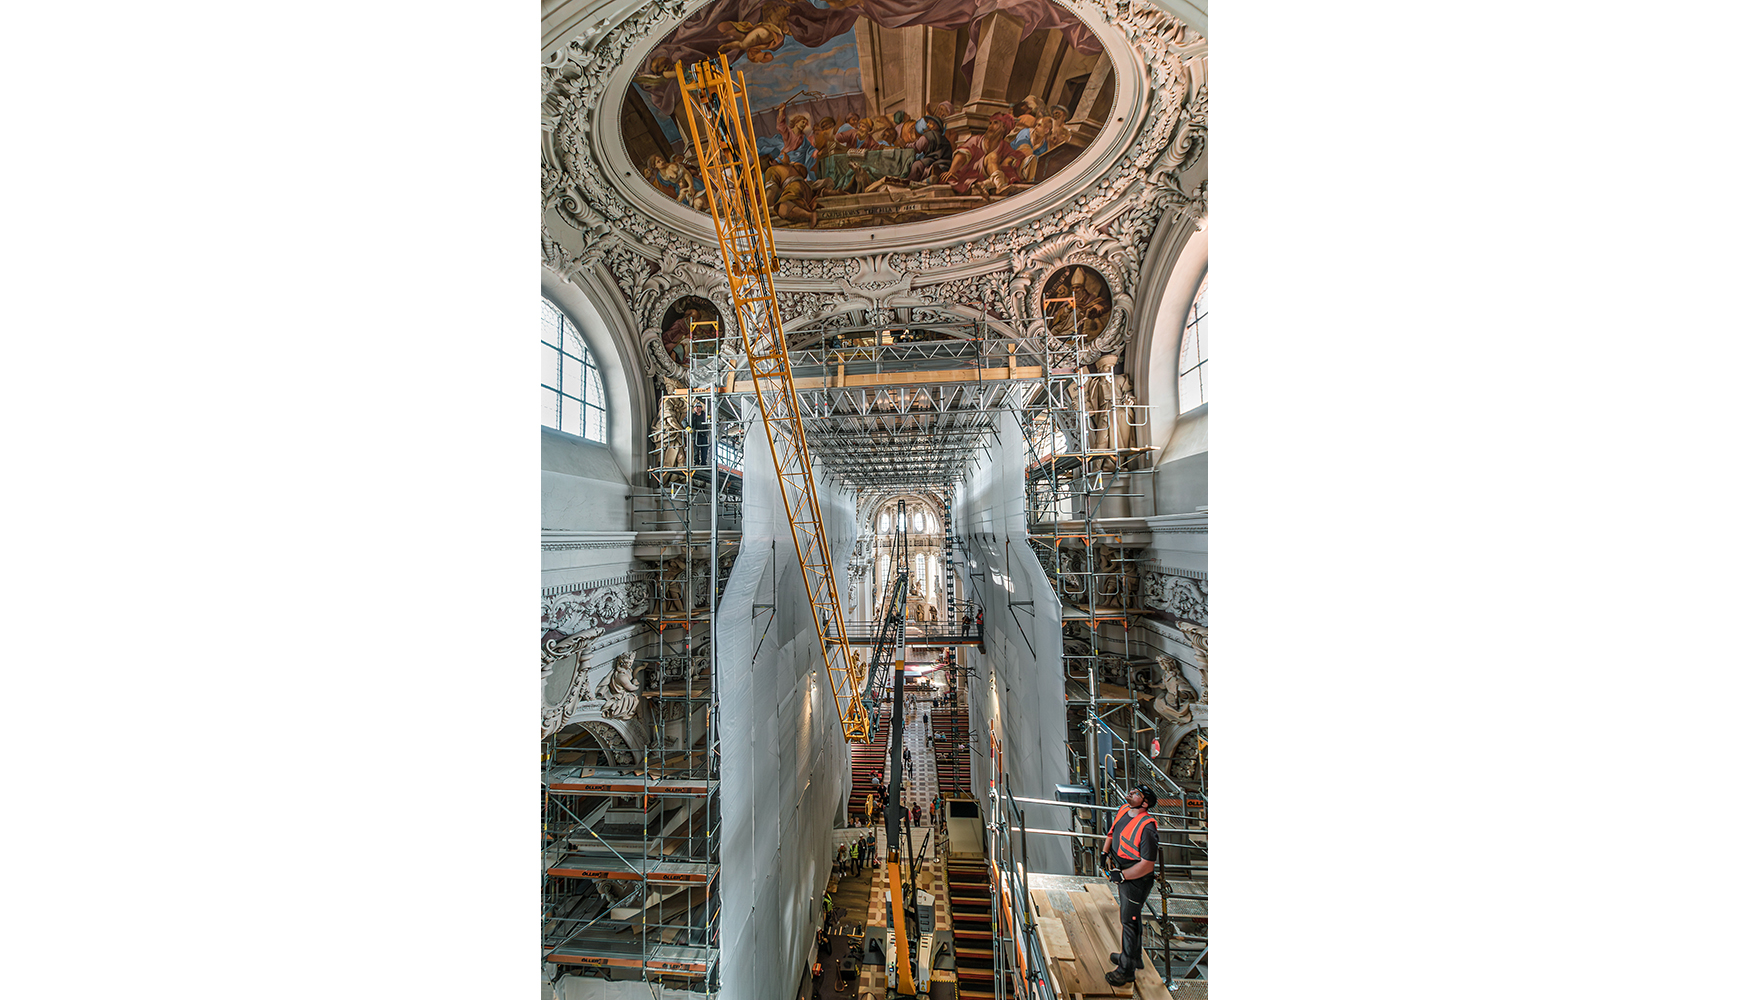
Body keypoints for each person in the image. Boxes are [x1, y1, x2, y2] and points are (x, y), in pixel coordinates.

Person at [1101, 786, 1159, 987]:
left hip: (1136, 879)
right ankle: (1134, 958)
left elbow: (1147, 864)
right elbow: (1112, 832)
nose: (1131, 793)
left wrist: (1122, 876)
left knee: (1129, 921)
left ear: (1144, 803)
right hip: (1122, 871)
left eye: (1136, 793)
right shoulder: (1124, 809)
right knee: (1130, 917)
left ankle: (1126, 971)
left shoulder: (1148, 828)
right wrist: (1105, 852)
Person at [690, 401, 709, 467]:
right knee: (696, 450)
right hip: (696, 435)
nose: (697, 408)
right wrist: (688, 427)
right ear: (694, 409)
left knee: (704, 449)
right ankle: (696, 463)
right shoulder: (692, 416)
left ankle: (704, 463)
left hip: (703, 434)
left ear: (701, 408)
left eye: (699, 407)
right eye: (696, 407)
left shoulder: (705, 415)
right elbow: (684, 421)